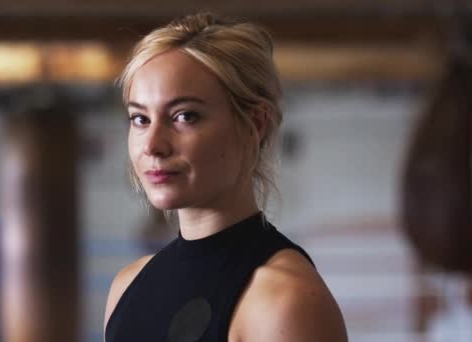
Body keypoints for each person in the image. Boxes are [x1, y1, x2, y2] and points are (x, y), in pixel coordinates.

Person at [104, 12, 347, 341]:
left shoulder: (283, 299)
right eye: (140, 119)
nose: (153, 145)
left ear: (255, 125)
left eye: (184, 116)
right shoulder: (127, 286)